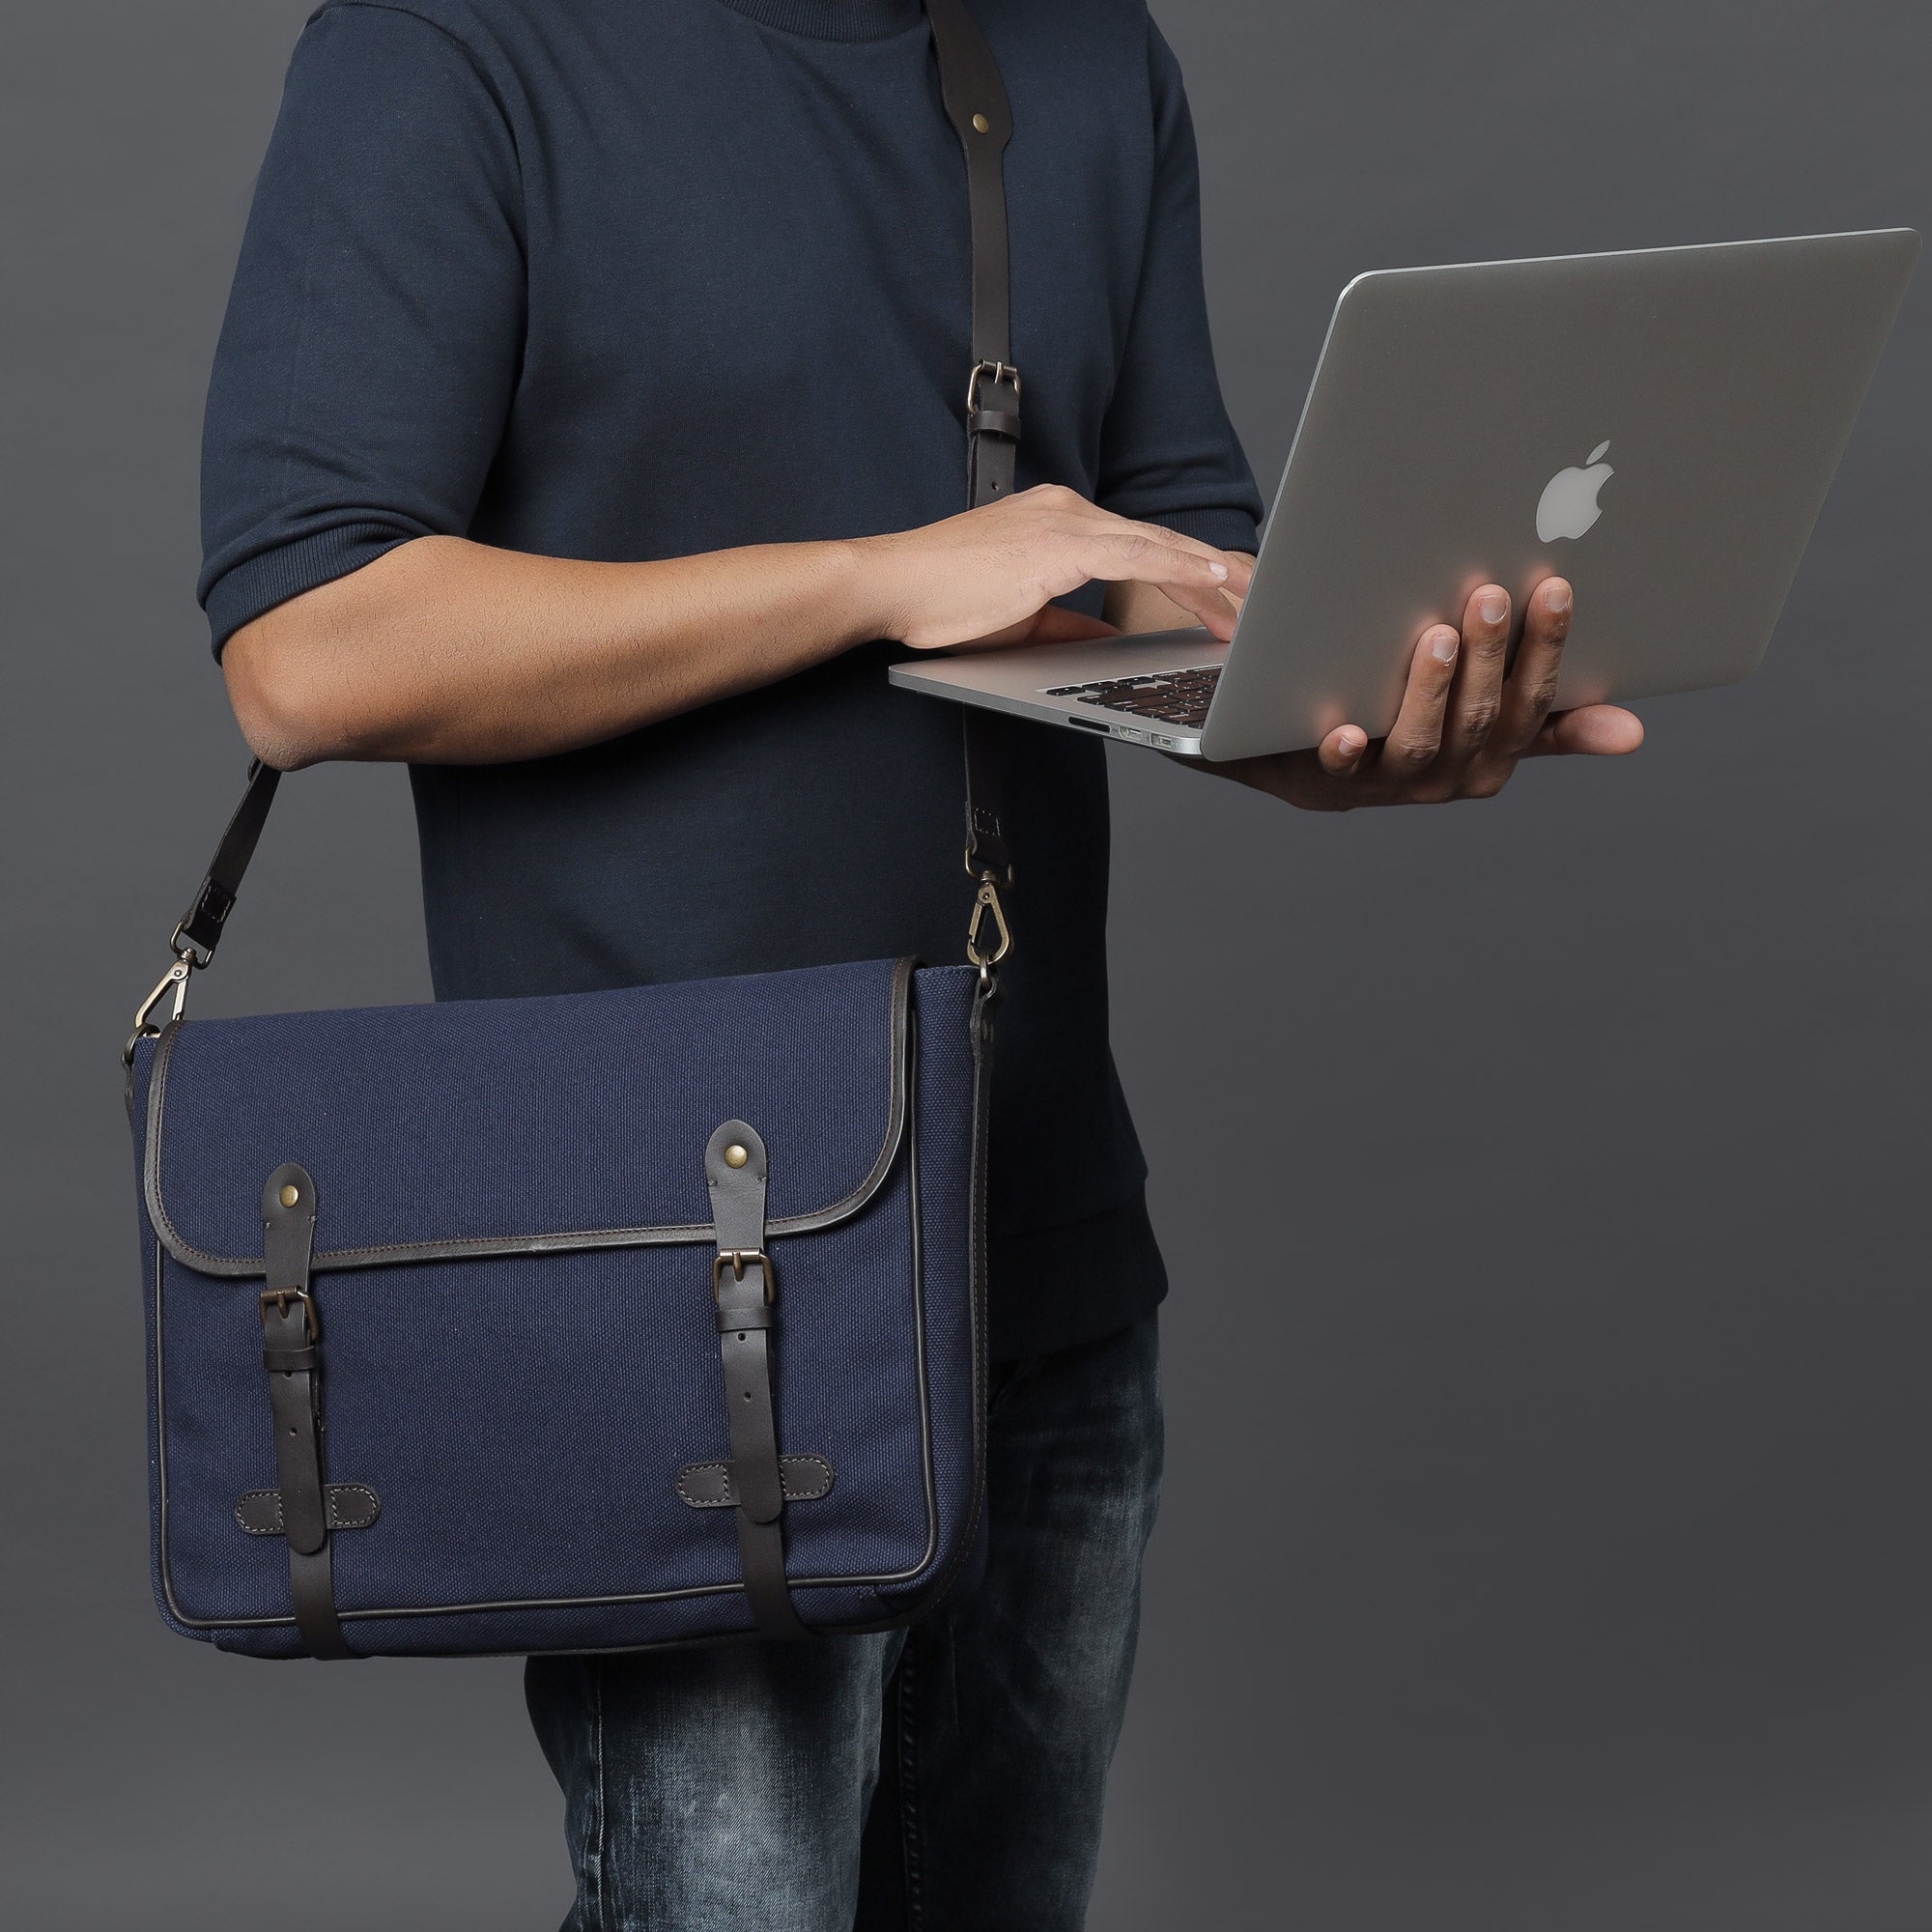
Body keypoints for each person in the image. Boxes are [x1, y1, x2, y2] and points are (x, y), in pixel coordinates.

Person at [198, 1, 1642, 1924]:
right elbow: (309, 643)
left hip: (1039, 1256)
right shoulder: (449, 45)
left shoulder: (1085, 57)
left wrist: (1370, 714)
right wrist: (880, 573)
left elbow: (1154, 570)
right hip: (687, 1280)